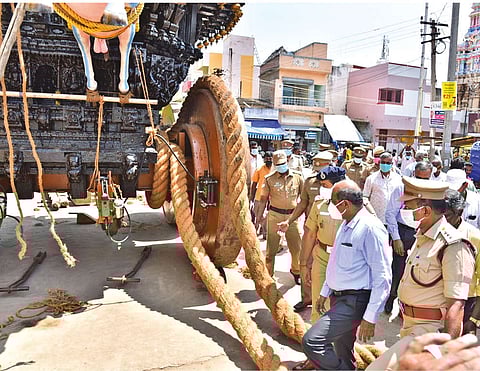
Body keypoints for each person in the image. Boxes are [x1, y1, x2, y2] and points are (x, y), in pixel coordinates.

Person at [367, 177, 475, 371]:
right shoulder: (423, 237)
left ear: (425, 210)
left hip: (429, 332)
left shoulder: (453, 245)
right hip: (410, 325)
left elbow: (457, 305)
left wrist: (443, 354)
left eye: (408, 207)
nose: (404, 211)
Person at [301, 180, 392, 370]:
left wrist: (370, 316)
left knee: (312, 341)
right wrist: (325, 292)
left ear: (345, 204)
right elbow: (336, 263)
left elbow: (382, 276)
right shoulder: (346, 223)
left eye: (334, 202)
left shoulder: (370, 228)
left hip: (354, 301)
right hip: (338, 297)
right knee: (342, 348)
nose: (331, 206)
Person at [277, 151, 333, 310]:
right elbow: (302, 204)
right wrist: (289, 221)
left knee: (330, 267)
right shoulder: (309, 182)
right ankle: (306, 297)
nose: (318, 170)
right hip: (310, 230)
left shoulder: (339, 183)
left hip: (330, 233)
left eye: (321, 166)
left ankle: (327, 300)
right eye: (316, 166)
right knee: (305, 262)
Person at [384, 161, 433, 314]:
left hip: (424, 233)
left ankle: (406, 305)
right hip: (404, 233)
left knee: (418, 270)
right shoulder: (401, 188)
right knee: (398, 269)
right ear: (413, 174)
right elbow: (390, 213)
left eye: (425, 179)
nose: (421, 182)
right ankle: (390, 298)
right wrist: (396, 238)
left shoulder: (432, 190)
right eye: (419, 177)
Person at [302, 166, 346, 322]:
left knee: (341, 305)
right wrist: (304, 264)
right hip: (321, 257)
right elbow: (310, 234)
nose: (321, 189)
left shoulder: (357, 205)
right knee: (318, 303)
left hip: (344, 261)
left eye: (325, 186)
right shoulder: (319, 204)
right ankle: (316, 341)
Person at [258, 150, 303, 281]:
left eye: (282, 164)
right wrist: (259, 217)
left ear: (287, 161)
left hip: (292, 217)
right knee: (271, 249)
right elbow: (263, 199)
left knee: (296, 248)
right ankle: (268, 275)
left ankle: (296, 271)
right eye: (277, 164)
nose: (281, 166)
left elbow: (304, 199)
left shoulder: (298, 177)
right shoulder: (269, 179)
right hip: (275, 215)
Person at [444, 189, 480, 335]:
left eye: (446, 216)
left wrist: (473, 319)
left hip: (465, 304)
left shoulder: (475, 237)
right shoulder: (431, 232)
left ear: (458, 212)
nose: (442, 220)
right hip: (436, 301)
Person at [363, 151, 402, 225]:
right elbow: (365, 197)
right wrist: (372, 212)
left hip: (393, 221)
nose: (385, 165)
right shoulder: (371, 179)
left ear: (391, 164)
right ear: (379, 162)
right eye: (383, 162)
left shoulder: (398, 179)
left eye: (388, 163)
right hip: (376, 219)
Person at [250, 151, 273, 239]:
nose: (268, 160)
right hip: (259, 196)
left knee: (267, 215)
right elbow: (254, 183)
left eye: (270, 158)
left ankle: (264, 232)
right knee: (257, 213)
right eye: (267, 158)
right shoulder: (259, 169)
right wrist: (251, 196)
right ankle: (262, 228)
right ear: (264, 159)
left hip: (271, 197)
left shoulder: (275, 169)